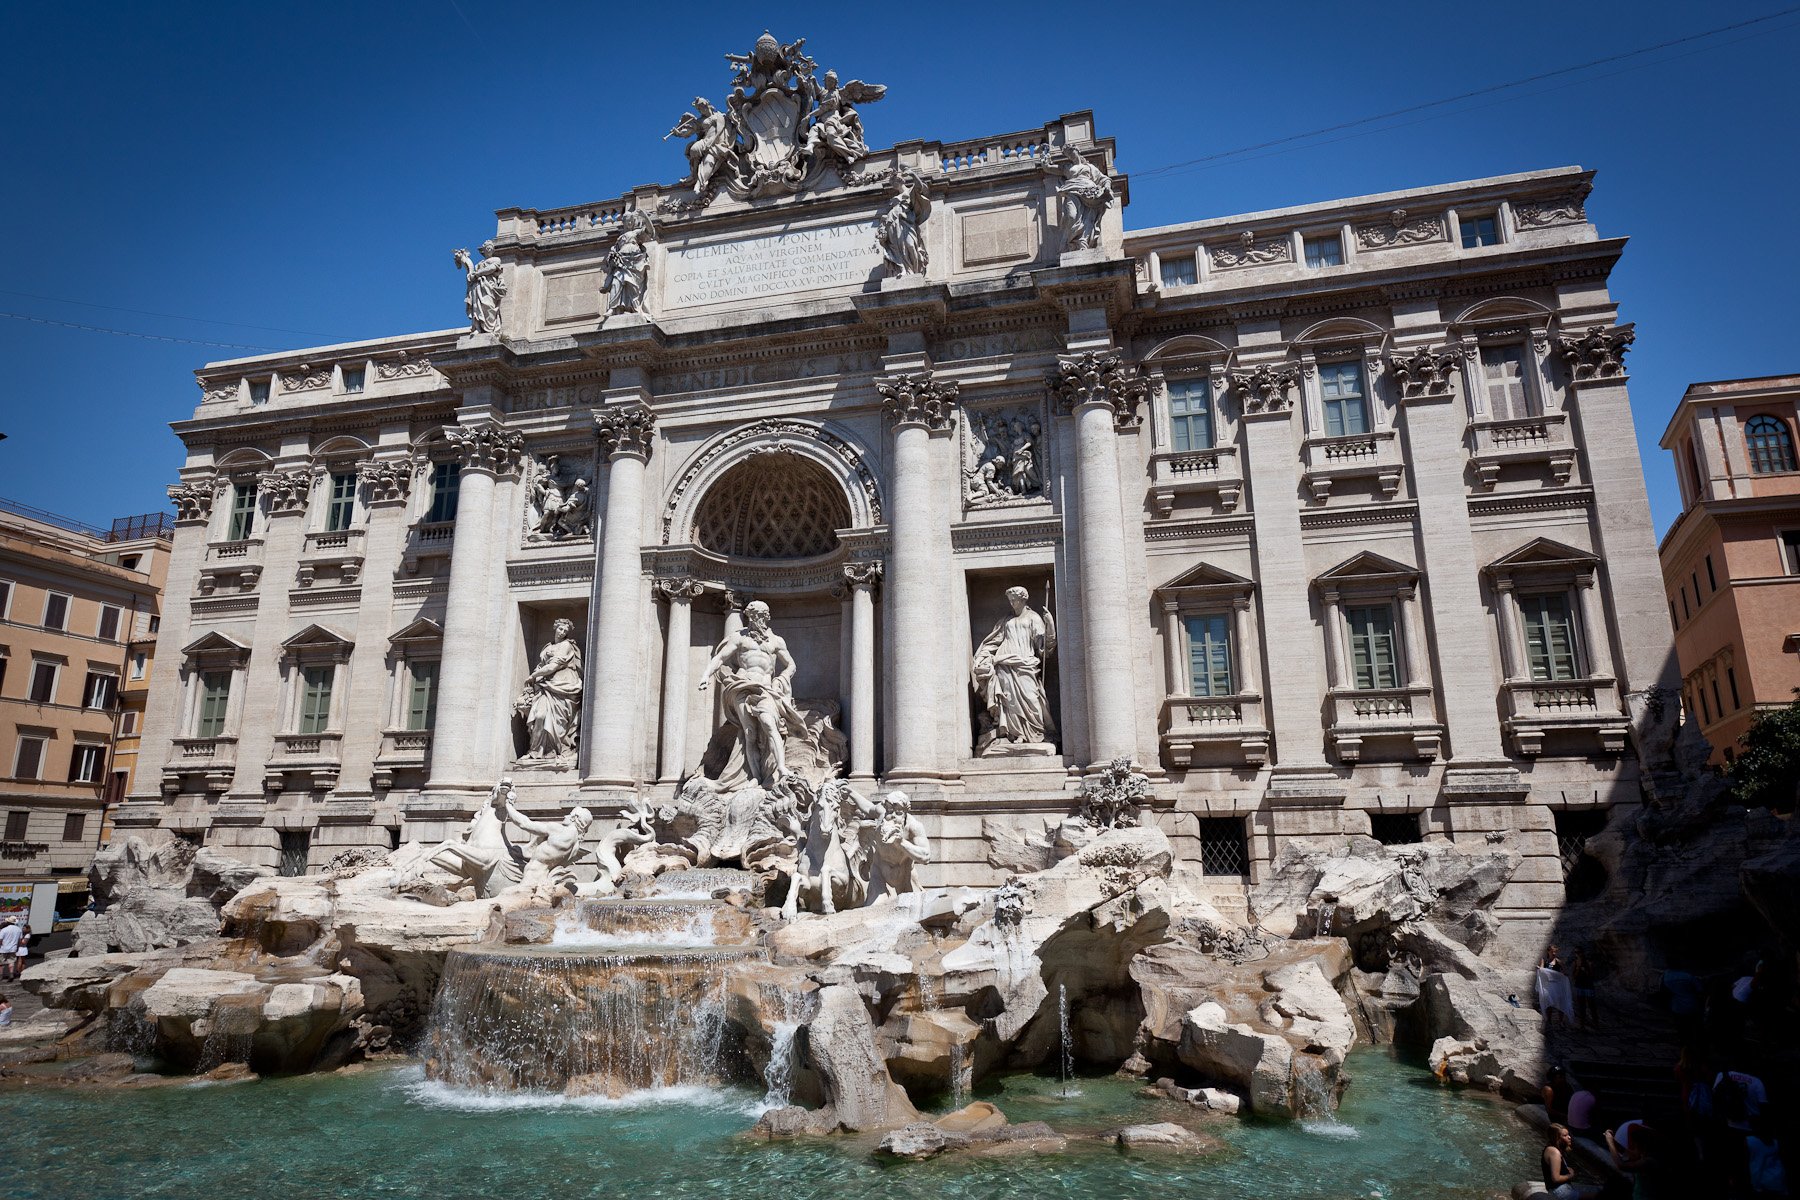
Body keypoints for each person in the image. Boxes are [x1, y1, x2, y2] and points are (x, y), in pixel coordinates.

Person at [970, 585, 1057, 751]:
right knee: (1008, 699)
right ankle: (1015, 734)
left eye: (1014, 599)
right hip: (1004, 664)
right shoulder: (1006, 621)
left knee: (1031, 698)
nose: (1012, 603)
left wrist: (1050, 624)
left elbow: (1045, 647)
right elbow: (993, 641)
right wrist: (983, 658)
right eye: (1010, 600)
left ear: (1023, 599)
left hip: (1026, 663)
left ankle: (1035, 732)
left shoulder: (1034, 618)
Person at [1543, 1124, 1601, 1200]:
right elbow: (1556, 1178)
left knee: (1599, 1190)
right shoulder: (1554, 1152)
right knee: (1599, 1195)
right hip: (1561, 1192)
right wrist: (1570, 1175)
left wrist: (1565, 1169)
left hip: (1561, 1189)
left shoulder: (1553, 1149)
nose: (1569, 1137)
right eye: (1565, 1135)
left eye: (1568, 1134)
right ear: (1557, 1138)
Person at [1570, 949, 1598, 1028]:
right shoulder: (1575, 963)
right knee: (1581, 1006)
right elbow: (1574, 976)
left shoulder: (1588, 962)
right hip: (1580, 986)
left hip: (1588, 986)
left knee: (1591, 1005)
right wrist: (1578, 968)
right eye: (1576, 953)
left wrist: (1586, 970)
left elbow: (1592, 975)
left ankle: (1596, 1024)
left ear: (1583, 953)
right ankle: (1582, 1025)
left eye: (1579, 952)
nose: (1578, 954)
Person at [0, 918, 22, 982]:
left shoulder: (4, 930)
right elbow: (19, 940)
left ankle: (1, 975)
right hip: (13, 948)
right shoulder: (19, 930)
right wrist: (17, 947)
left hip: (3, 948)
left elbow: (0, 940)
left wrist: (1, 945)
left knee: (1, 963)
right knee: (11, 961)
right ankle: (11, 974)